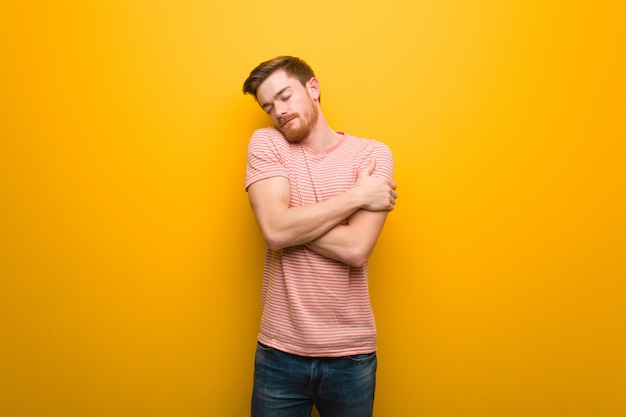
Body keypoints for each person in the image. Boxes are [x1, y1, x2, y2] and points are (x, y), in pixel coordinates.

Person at [242, 56, 397, 417]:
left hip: (351, 356)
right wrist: (357, 196)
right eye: (268, 106)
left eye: (284, 96)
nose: (278, 111)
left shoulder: (371, 155)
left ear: (313, 87)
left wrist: (286, 220)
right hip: (279, 352)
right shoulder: (268, 144)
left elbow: (357, 249)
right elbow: (275, 232)